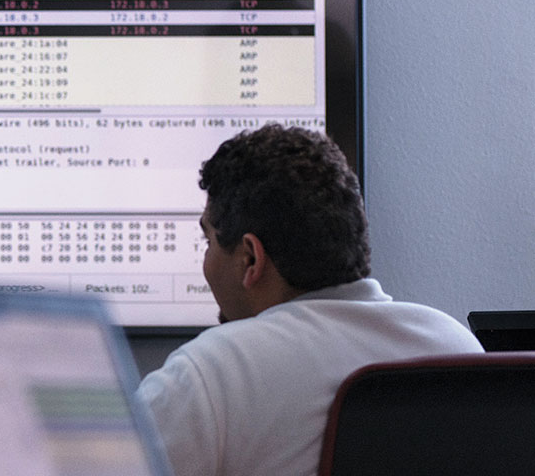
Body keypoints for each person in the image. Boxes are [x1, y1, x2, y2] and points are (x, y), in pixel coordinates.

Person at [137, 124, 483, 476]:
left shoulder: (211, 373)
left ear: (251, 259)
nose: (206, 262)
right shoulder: (457, 348)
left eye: (208, 242)